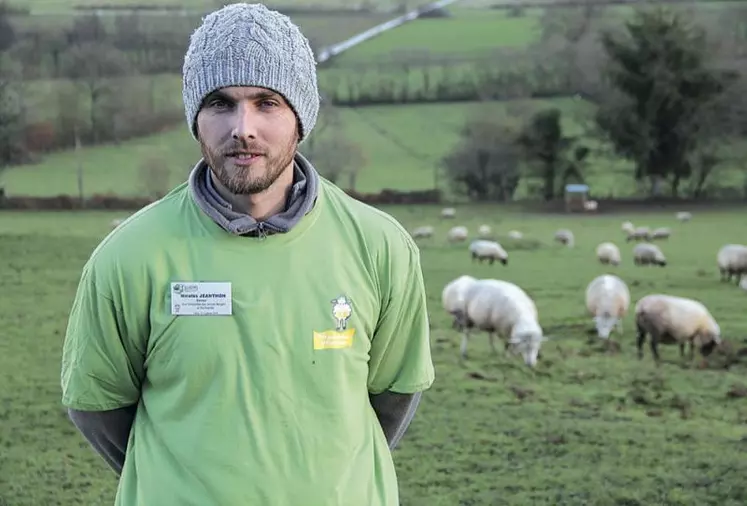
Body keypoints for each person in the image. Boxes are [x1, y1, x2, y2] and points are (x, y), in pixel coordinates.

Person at [59, 3, 435, 506]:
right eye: (220, 103)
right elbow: (98, 407)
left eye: (267, 102)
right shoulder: (127, 256)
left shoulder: (380, 246)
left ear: (301, 116)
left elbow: (393, 396)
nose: (243, 127)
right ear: (195, 117)